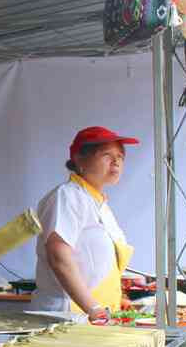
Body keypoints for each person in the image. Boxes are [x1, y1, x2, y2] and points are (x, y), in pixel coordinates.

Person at [32, 126, 137, 321]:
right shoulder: (67, 196)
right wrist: (94, 309)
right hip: (67, 315)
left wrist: (118, 296)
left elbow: (101, 263)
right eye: (107, 155)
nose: (116, 162)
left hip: (94, 316)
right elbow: (59, 257)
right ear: (80, 160)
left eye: (120, 156)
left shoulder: (98, 202)